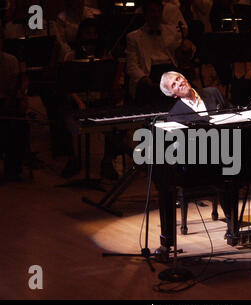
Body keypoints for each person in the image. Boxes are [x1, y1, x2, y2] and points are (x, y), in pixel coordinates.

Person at [153, 71, 251, 261]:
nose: (179, 83)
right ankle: (232, 223)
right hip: (208, 157)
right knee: (223, 175)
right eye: (174, 84)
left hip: (235, 146)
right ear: (173, 94)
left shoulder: (212, 92)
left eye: (179, 78)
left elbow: (232, 114)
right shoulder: (175, 115)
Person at [57, 18, 125, 180]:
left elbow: (111, 83)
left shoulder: (105, 56)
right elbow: (66, 86)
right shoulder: (71, 56)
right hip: (77, 100)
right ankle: (72, 159)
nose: (92, 37)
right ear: (80, 35)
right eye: (88, 33)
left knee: (118, 118)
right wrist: (79, 102)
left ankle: (107, 161)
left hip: (99, 99)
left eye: (95, 34)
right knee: (61, 111)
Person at [125, 0, 194, 108]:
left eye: (158, 12)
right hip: (150, 73)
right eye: (152, 12)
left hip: (170, 70)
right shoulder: (134, 37)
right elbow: (131, 66)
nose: (156, 15)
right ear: (145, 15)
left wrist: (187, 47)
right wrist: (143, 79)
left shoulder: (171, 31)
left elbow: (187, 49)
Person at [0, 25, 29, 181]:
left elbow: (16, 86)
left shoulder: (11, 61)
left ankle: (13, 168)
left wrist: (20, 97)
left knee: (20, 125)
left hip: (6, 101)